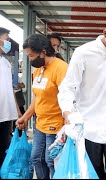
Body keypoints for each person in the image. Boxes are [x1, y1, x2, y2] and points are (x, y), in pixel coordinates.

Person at [57, 13, 106, 179]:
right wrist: (67, 112)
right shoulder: (83, 53)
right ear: (105, 32)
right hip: (88, 120)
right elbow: (68, 86)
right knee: (92, 167)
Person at [16, 34, 68, 179]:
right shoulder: (38, 70)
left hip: (56, 125)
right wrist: (25, 117)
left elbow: (68, 99)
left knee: (51, 161)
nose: (29, 59)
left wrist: (67, 126)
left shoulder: (61, 68)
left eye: (31, 55)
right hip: (40, 124)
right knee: (36, 159)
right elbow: (36, 98)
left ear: (43, 52)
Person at [0, 27, 22, 169]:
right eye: (6, 39)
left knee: (4, 151)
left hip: (6, 116)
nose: (8, 43)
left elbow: (10, 90)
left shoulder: (6, 63)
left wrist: (18, 112)